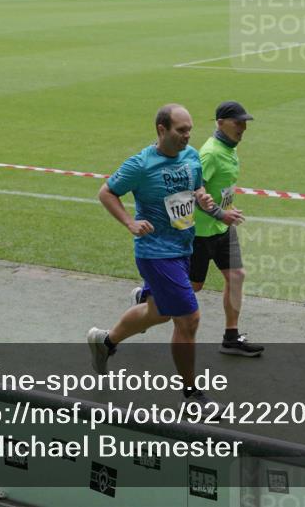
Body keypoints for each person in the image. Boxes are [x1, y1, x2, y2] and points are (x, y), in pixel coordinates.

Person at [87, 104, 220, 410]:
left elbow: (196, 187)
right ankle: (191, 395)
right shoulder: (140, 164)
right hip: (156, 253)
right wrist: (130, 223)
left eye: (189, 129)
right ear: (162, 130)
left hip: (183, 247)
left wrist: (202, 198)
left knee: (158, 313)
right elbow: (107, 192)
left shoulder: (191, 157)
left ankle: (104, 342)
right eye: (181, 130)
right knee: (189, 319)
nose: (187, 136)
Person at [188, 101, 263, 357]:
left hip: (223, 228)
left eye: (245, 122)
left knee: (236, 275)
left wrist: (224, 213)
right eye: (237, 122)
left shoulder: (229, 149)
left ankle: (231, 338)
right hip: (199, 233)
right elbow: (191, 195)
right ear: (220, 123)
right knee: (193, 287)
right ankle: (147, 295)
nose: (243, 127)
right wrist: (221, 212)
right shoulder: (210, 153)